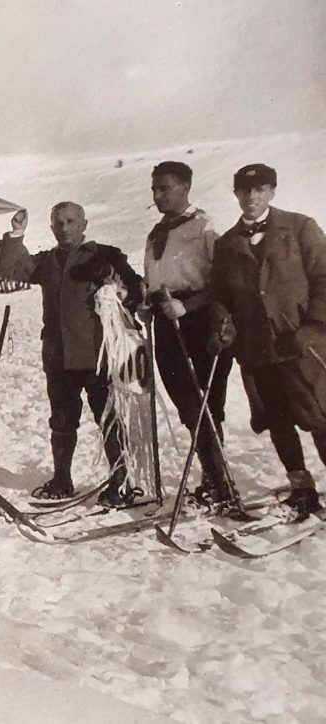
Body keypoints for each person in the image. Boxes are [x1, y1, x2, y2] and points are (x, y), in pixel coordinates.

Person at [0, 202, 144, 506]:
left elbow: (135, 292)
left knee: (108, 419)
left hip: (97, 355)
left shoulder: (106, 255)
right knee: (62, 420)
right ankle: (62, 479)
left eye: (70, 221)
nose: (64, 228)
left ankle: (122, 482)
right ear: (51, 228)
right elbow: (9, 268)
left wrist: (118, 288)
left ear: (83, 224)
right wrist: (16, 234)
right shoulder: (47, 262)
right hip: (59, 356)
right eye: (58, 223)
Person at [208, 164, 326, 519]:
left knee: (320, 415)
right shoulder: (227, 243)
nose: (252, 198)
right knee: (277, 419)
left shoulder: (301, 227)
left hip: (303, 345)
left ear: (272, 192)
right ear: (236, 195)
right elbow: (220, 294)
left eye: (260, 190)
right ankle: (301, 487)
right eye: (245, 191)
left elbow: (324, 278)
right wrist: (223, 322)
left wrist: (316, 325)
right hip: (257, 348)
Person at [143, 161, 233, 505]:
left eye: (164, 188)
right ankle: (212, 474)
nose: (158, 195)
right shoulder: (156, 233)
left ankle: (218, 480)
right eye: (154, 189)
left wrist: (189, 306)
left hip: (200, 320)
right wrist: (147, 303)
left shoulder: (206, 226)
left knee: (206, 405)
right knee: (186, 404)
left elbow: (224, 280)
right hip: (167, 320)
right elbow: (154, 279)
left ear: (186, 187)